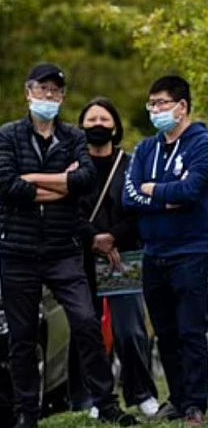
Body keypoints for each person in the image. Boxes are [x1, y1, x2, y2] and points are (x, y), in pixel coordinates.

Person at [0, 64, 137, 428]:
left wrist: (34, 181)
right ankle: (26, 412)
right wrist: (61, 183)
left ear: (62, 97)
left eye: (55, 91)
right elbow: (9, 187)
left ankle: (105, 402)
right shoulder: (8, 136)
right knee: (23, 336)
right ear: (28, 92)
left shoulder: (74, 137)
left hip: (63, 250)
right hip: (18, 251)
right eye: (42, 89)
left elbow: (85, 180)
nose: (49, 96)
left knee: (87, 322)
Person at [123, 75, 208, 427]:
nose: (156, 110)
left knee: (190, 331)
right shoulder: (146, 148)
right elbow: (128, 196)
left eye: (162, 103)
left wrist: (153, 192)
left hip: (189, 251)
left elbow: (192, 191)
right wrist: (165, 197)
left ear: (182, 106)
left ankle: (195, 404)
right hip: (153, 252)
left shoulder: (203, 144)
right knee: (164, 332)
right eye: (152, 105)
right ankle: (176, 398)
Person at [71, 98, 160, 419]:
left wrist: (113, 238)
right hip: (82, 255)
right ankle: (98, 397)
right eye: (91, 119)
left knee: (130, 329)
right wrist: (93, 238)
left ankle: (142, 393)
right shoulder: (72, 166)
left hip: (123, 256)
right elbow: (65, 211)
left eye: (104, 119)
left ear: (116, 126)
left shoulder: (131, 164)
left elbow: (141, 209)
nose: (98, 125)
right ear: (81, 127)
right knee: (87, 327)